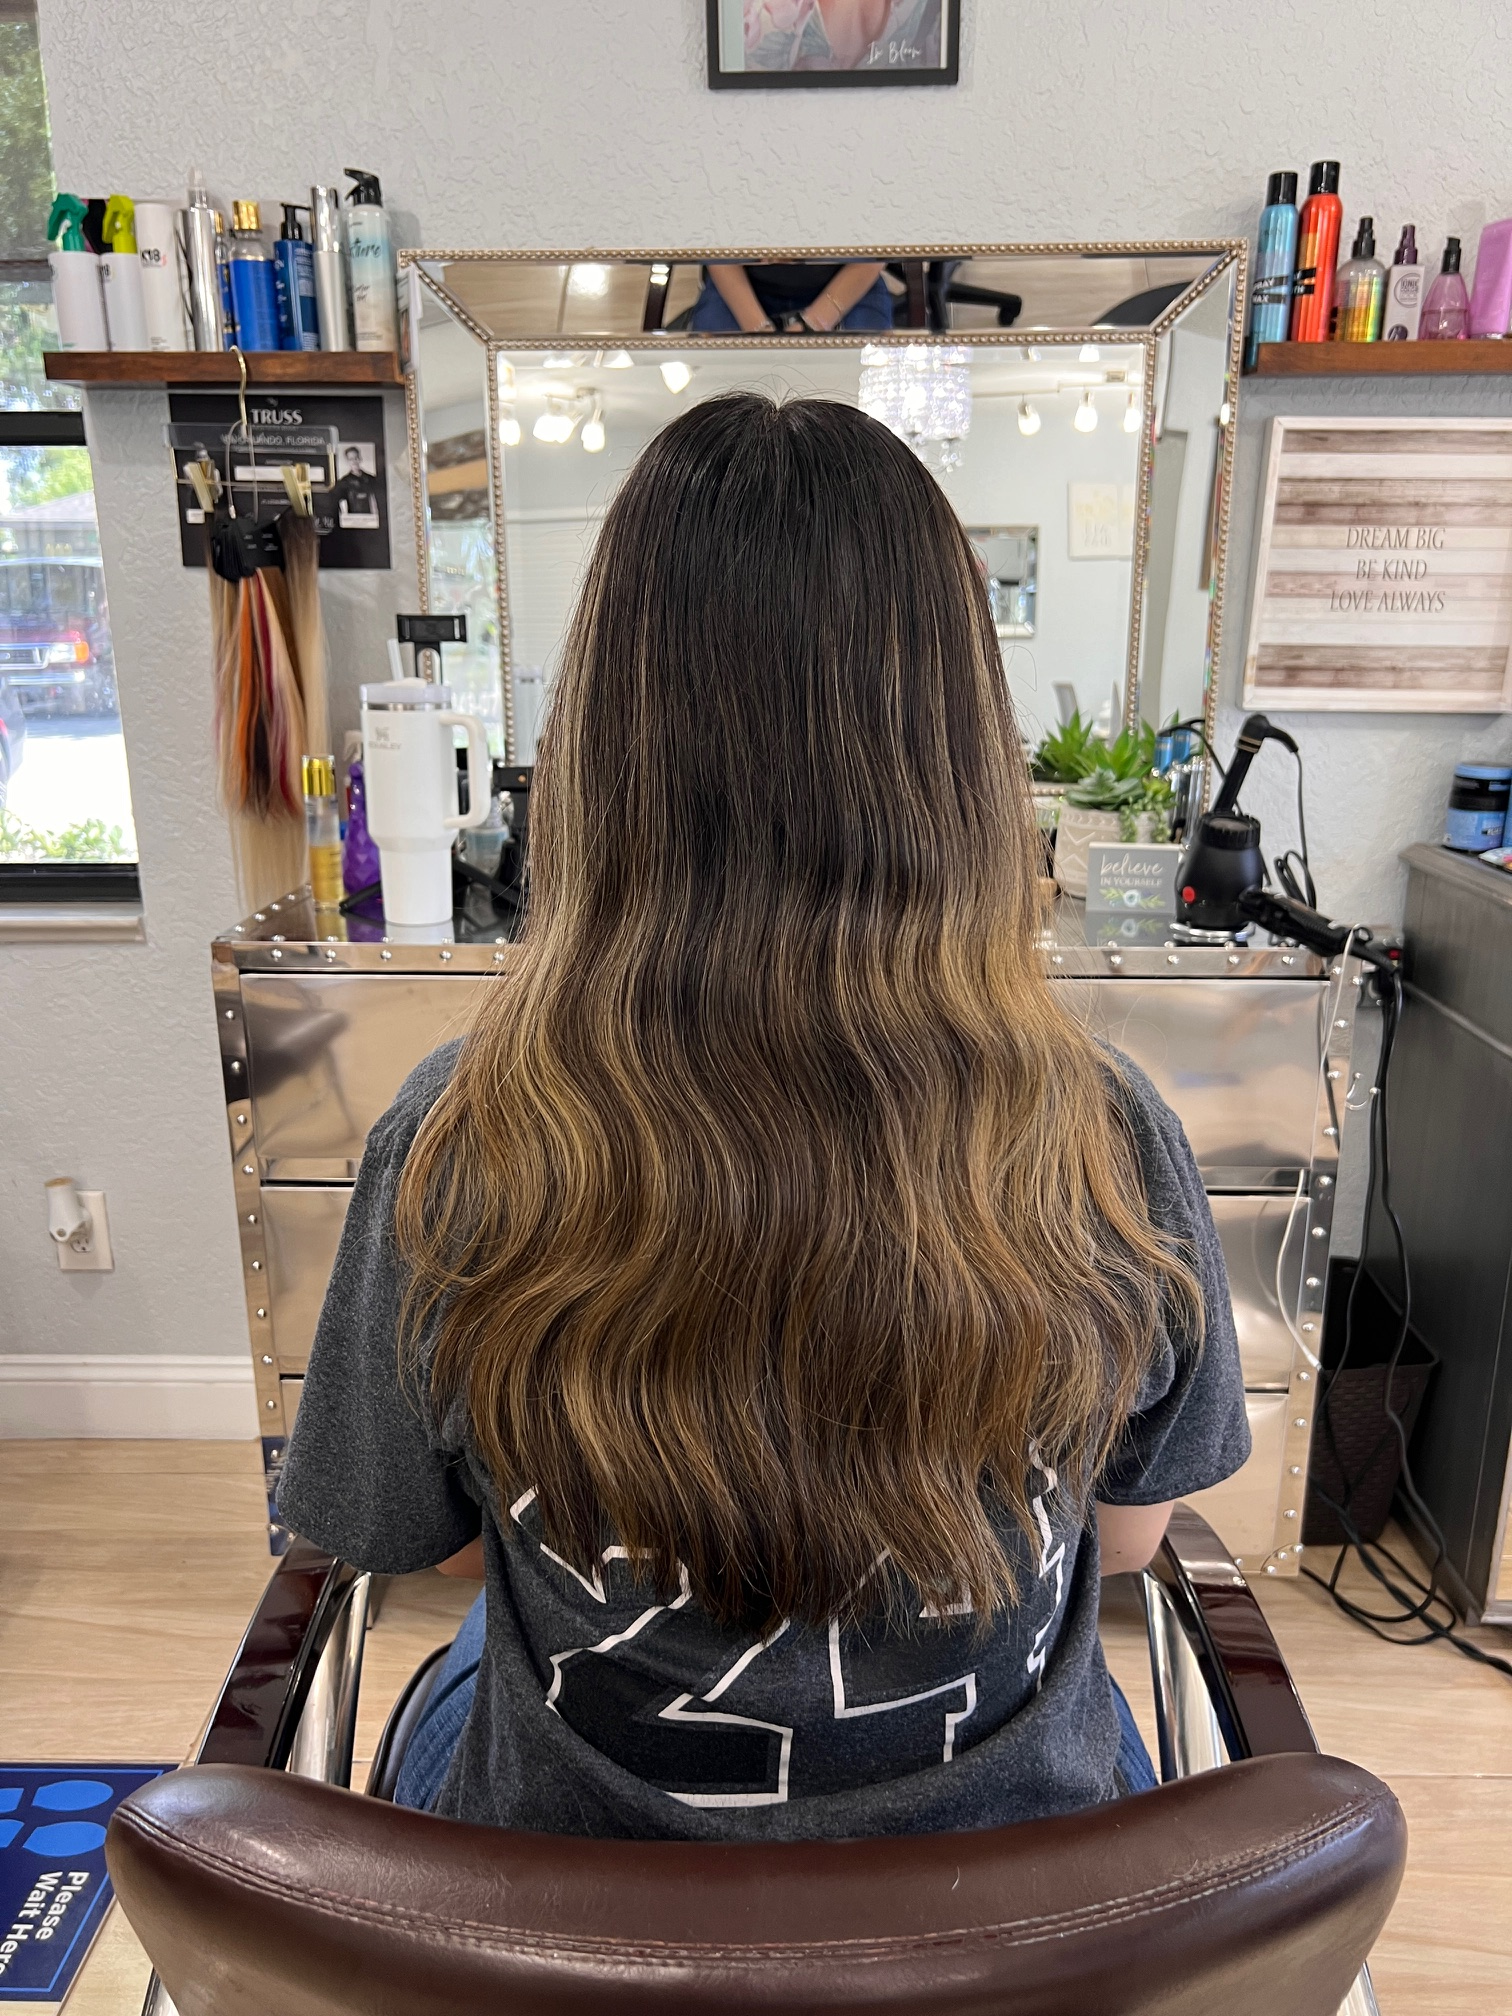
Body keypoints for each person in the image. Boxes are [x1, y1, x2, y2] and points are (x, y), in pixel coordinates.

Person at [278, 393, 1249, 1841]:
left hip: (572, 1935)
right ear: (962, 757)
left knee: (462, 1670)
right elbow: (1126, 1538)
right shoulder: (1104, 1137)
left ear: (606, 750)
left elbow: (427, 1550)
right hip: (1024, 1928)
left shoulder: (461, 1138)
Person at [689, 260, 893, 333]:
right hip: (741, 282)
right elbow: (716, 242)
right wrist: (757, 328)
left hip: (848, 280)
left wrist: (816, 322)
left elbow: (876, 246)